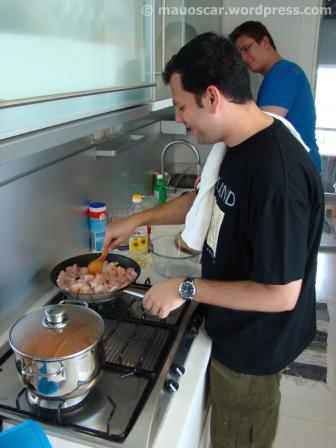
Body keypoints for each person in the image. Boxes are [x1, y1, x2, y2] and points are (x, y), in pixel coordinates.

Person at [103, 33, 324, 448]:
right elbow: (204, 198)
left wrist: (185, 289)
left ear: (211, 96)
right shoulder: (240, 143)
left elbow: (281, 295)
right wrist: (137, 220)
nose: (181, 118)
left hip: (254, 350)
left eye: (183, 107)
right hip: (234, 328)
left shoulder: (277, 175)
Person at [229, 21, 322, 172]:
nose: (244, 58)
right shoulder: (277, 75)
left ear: (265, 41)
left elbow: (260, 132)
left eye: (246, 49)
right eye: (240, 55)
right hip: (297, 166)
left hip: (299, 169)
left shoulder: (283, 72)